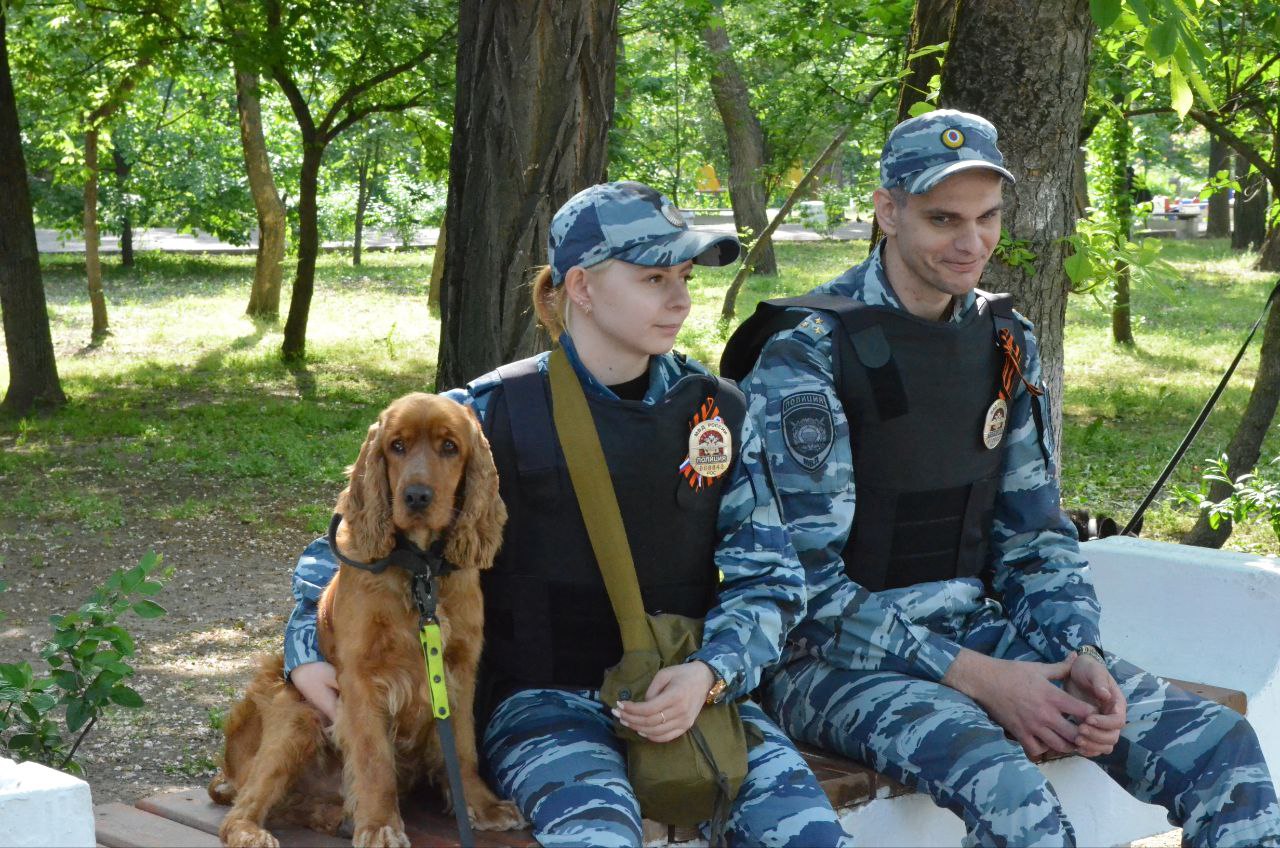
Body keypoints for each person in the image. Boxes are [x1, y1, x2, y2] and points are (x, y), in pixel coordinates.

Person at [720, 110, 1280, 847]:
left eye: (987, 217)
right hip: (829, 664)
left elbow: (1034, 538)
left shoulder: (1005, 339)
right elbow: (803, 591)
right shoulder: (807, 352)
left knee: (1219, 749)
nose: (972, 241)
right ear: (888, 211)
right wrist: (983, 679)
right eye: (943, 218)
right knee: (1011, 793)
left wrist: (1076, 652)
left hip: (977, 632)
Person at [285, 181, 850, 847]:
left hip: (685, 697)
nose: (680, 298)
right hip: (541, 704)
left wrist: (710, 672)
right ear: (581, 287)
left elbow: (773, 581)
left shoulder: (715, 414)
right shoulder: (489, 412)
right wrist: (304, 653)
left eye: (685, 277)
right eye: (653, 278)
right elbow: (351, 545)